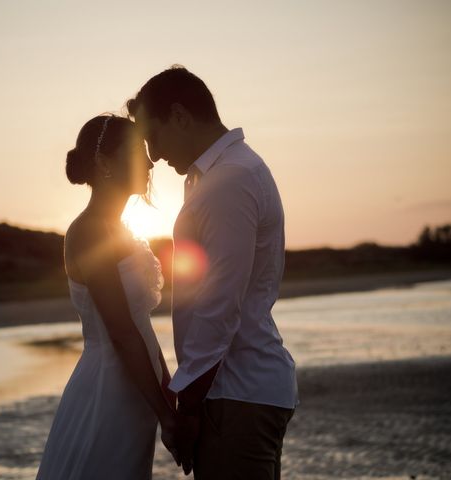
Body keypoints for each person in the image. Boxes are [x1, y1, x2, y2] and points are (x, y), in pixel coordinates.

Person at [128, 66, 299, 479]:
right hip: (237, 389)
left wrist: (187, 408)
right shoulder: (221, 174)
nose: (153, 156)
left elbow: (220, 302)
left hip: (235, 392)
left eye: (153, 138)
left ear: (181, 116)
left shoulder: (231, 180)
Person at [35, 115, 178, 480]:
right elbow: (122, 332)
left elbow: (140, 325)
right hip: (108, 391)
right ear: (103, 163)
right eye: (136, 153)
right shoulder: (89, 232)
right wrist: (165, 414)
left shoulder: (120, 229)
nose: (149, 163)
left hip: (136, 389)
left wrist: (168, 393)